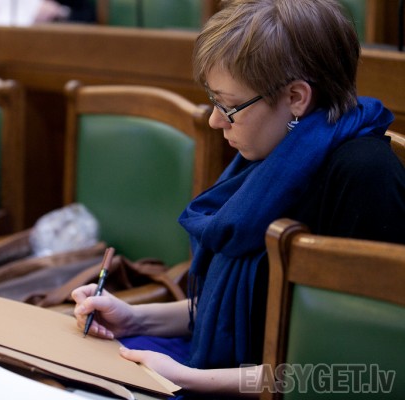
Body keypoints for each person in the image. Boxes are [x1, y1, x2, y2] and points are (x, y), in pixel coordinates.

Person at [71, 0, 405, 397]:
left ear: (296, 97)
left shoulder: (365, 178)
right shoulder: (271, 154)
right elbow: (239, 308)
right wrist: (135, 318)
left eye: (229, 106)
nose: (215, 120)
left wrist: (191, 379)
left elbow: (361, 371)